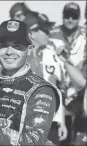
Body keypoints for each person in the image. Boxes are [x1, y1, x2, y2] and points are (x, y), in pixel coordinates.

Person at [24, 12, 68, 145]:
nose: (48, 33)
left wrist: (61, 121)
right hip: (25, 123)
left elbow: (58, 89)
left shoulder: (52, 54)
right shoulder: (16, 56)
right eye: (44, 30)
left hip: (51, 123)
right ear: (32, 32)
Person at [48, 2, 86, 145]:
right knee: (61, 138)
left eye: (74, 17)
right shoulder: (52, 34)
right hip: (60, 93)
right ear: (62, 16)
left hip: (79, 95)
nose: (70, 20)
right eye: (67, 16)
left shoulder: (84, 35)